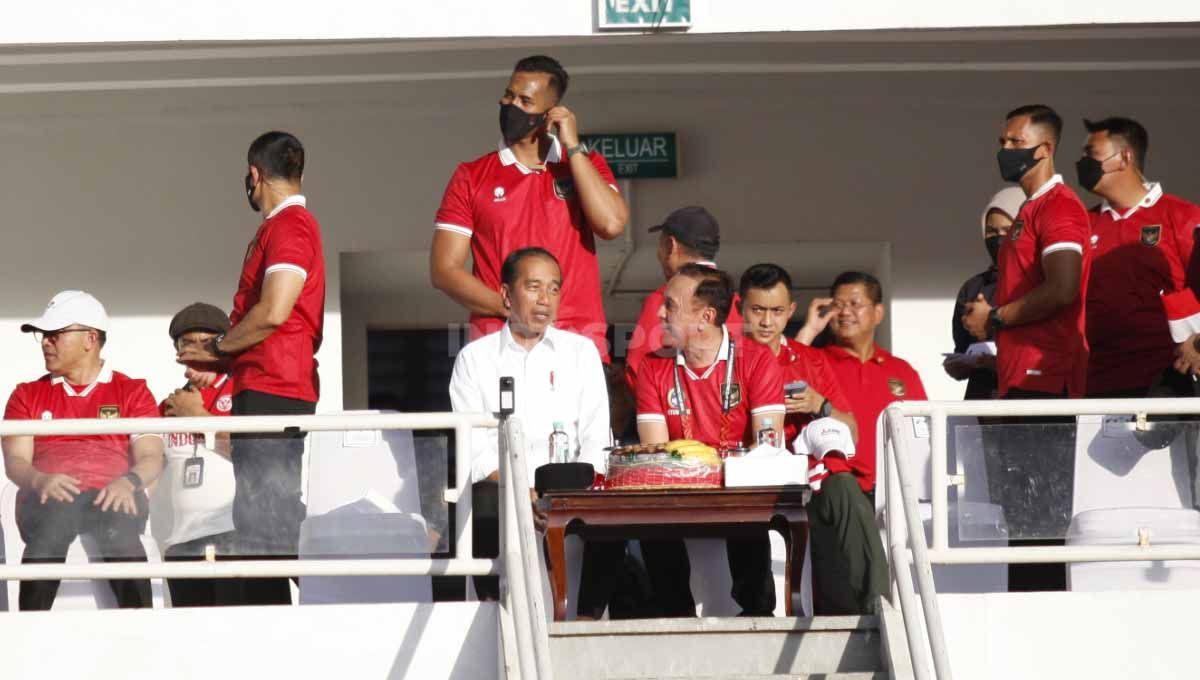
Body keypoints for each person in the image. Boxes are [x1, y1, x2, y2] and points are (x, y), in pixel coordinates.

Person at [177, 130, 325, 605]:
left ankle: (324, 599)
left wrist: (218, 348)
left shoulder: (291, 226)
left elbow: (275, 310)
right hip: (265, 380)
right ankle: (275, 610)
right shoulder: (283, 227)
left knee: (269, 513)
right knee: (260, 512)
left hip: (276, 382)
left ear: (254, 175)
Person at [962, 104, 1091, 591]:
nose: (1006, 150)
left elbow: (1063, 289)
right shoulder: (1028, 210)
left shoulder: (1059, 208)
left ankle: (1043, 626)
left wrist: (993, 317)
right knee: (1019, 521)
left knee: (1040, 524)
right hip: (1018, 380)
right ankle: (1026, 616)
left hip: (1046, 380)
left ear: (1046, 148)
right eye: (1003, 141)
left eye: (1016, 143)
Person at [448, 247, 618, 615]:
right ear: (507, 295)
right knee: (484, 500)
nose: (545, 300)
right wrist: (522, 491)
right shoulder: (474, 359)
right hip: (505, 486)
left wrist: (567, 495)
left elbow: (594, 436)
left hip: (570, 485)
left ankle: (587, 620)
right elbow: (474, 449)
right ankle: (495, 611)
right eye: (534, 287)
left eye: (554, 289)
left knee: (612, 511)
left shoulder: (581, 352)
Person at [431, 55, 629, 362]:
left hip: (575, 344)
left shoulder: (585, 166)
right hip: (498, 346)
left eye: (525, 101)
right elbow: (444, 270)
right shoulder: (470, 176)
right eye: (509, 95)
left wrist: (574, 147)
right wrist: (512, 307)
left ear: (549, 114)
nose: (511, 105)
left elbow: (612, 225)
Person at [635, 264, 785, 617]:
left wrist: (721, 470)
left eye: (670, 305)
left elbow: (767, 449)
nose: (659, 312)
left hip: (739, 490)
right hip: (677, 491)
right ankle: (674, 615)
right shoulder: (653, 367)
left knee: (751, 493)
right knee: (648, 503)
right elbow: (655, 457)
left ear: (705, 317)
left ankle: (758, 614)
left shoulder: (757, 359)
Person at [1, 291, 164, 610]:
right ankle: (30, 633)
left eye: (55, 334)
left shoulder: (132, 391)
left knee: (120, 530)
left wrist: (127, 483)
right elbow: (15, 461)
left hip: (115, 496)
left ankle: (144, 632)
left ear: (90, 338)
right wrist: (39, 481)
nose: (46, 342)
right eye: (44, 336)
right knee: (51, 528)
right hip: (50, 499)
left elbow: (151, 456)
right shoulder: (27, 394)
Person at [739, 264, 884, 614]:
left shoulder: (810, 360)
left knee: (846, 487)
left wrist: (820, 404)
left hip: (807, 485)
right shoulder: (728, 359)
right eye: (758, 310)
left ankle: (878, 606)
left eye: (776, 311)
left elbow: (852, 430)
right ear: (740, 308)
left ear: (790, 311)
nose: (767, 322)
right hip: (749, 487)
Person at [1077, 116, 1200, 399]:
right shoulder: (1082, 224)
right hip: (1096, 385)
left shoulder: (1182, 217)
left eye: (1091, 154)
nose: (1082, 163)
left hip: (1169, 388)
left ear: (1124, 157)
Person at [153, 303, 238, 607]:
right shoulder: (169, 405)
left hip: (234, 537)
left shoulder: (242, 390)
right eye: (187, 344)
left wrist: (199, 417)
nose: (196, 353)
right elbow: (154, 465)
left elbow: (253, 451)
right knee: (190, 641)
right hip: (181, 541)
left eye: (207, 342)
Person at [624, 206, 742, 389]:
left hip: (675, 413)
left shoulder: (663, 301)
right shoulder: (739, 302)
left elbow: (637, 373)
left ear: (670, 245)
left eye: (660, 244)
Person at [944, 187, 1026, 399]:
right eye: (991, 232)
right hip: (982, 405)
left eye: (1007, 230)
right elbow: (962, 348)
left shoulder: (1043, 285)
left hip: (1030, 403)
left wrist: (993, 361)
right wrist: (959, 365)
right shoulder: (974, 287)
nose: (999, 238)